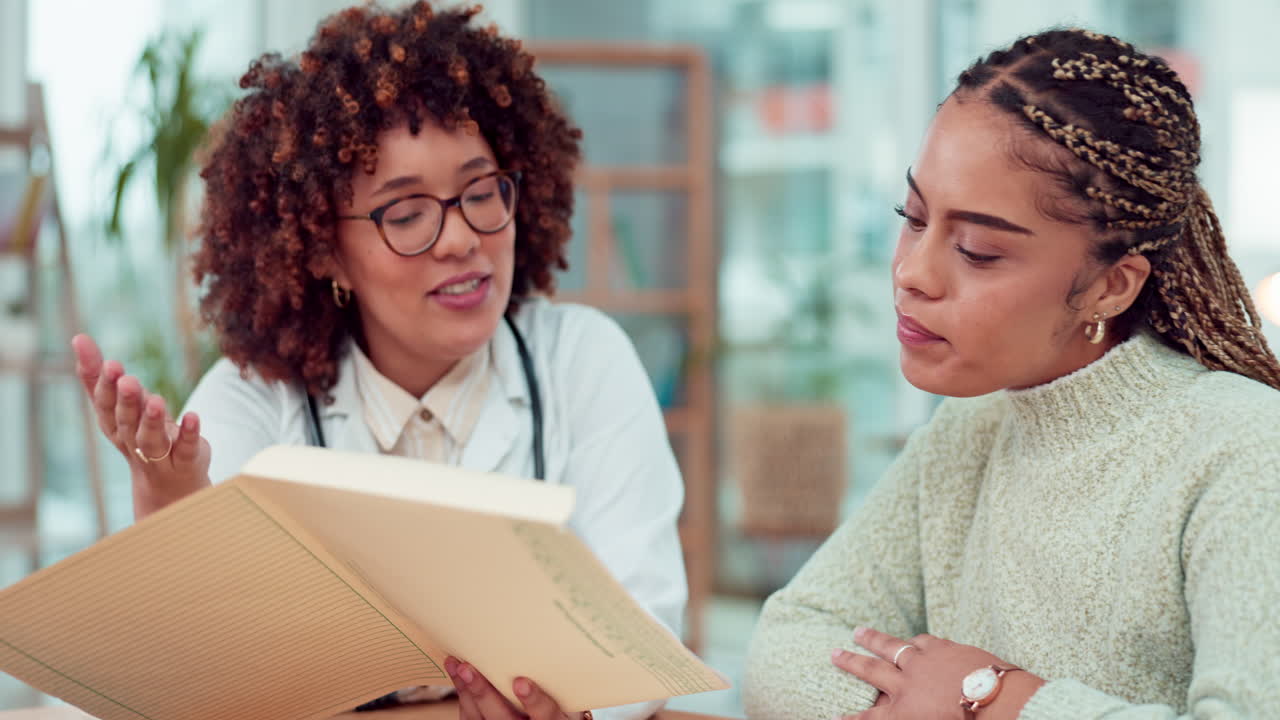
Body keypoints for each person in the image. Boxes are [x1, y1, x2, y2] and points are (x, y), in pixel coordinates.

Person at [70, 4, 686, 720]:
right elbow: (173, 682)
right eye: (406, 213)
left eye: (482, 192)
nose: (461, 239)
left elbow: (647, 633)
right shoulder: (256, 402)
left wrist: (582, 709)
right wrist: (171, 511)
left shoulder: (583, 361)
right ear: (325, 248)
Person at [744, 28, 1280, 720]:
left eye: (978, 251)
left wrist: (1000, 700)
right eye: (912, 219)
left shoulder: (1245, 450)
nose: (912, 273)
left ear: (1111, 286)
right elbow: (782, 652)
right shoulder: (965, 434)